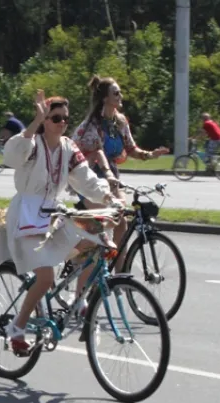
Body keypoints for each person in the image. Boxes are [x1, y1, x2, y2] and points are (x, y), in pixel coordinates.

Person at [0, 91, 117, 355]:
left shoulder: (68, 147)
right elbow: (11, 156)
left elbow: (85, 179)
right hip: (27, 216)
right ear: (45, 119)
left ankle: (78, 301)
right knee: (46, 277)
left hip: (54, 212)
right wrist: (35, 122)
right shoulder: (32, 144)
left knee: (93, 242)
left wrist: (107, 195)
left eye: (65, 118)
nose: (61, 122)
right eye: (55, 118)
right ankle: (18, 328)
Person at [72, 75, 168, 273]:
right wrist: (107, 175)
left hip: (111, 178)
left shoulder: (120, 122)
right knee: (103, 224)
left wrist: (151, 154)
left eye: (120, 92)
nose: (120, 95)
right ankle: (78, 258)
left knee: (121, 220)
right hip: (89, 179)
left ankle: (120, 274)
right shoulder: (92, 126)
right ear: (105, 98)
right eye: (116, 93)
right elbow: (97, 155)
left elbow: (132, 149)